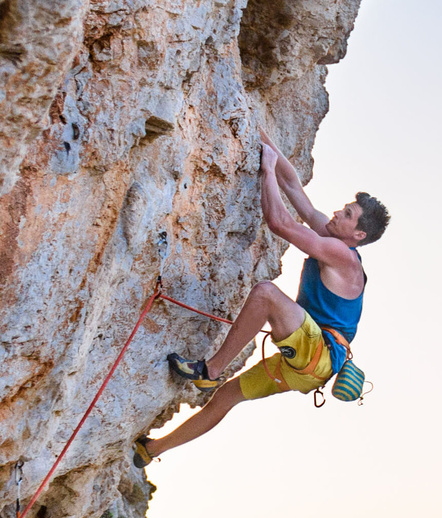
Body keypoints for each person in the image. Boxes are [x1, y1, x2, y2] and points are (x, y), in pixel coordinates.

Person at [135, 143, 387, 465]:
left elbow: (280, 224)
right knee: (226, 397)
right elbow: (294, 186)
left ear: (359, 234)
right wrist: (266, 143)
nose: (338, 212)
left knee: (266, 294)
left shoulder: (345, 258)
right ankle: (151, 450)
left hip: (318, 353)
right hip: (308, 368)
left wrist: (267, 169)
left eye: (348, 214)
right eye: (344, 208)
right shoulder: (332, 238)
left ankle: (211, 370)